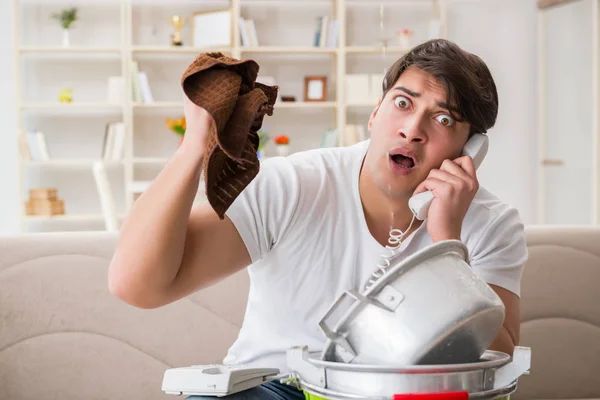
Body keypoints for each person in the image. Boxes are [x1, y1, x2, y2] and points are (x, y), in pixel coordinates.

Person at [108, 38, 528, 400]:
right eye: (403, 103)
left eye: (443, 119)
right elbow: (137, 285)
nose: (412, 129)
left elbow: (498, 357)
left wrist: (446, 243)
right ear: (375, 112)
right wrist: (194, 146)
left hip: (400, 391)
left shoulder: (492, 225)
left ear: (469, 149)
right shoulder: (294, 184)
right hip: (278, 386)